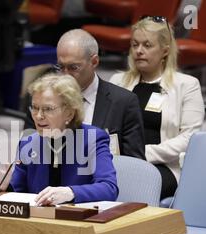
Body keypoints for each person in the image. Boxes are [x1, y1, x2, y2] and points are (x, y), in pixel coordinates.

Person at [109, 16, 204, 199]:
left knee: (136, 188)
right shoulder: (118, 82)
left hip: (163, 166)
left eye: (147, 45)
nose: (139, 51)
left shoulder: (187, 85)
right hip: (118, 163)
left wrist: (143, 154)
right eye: (135, 45)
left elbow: (189, 137)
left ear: (165, 51)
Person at [0, 73, 118, 206]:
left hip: (79, 221)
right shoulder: (28, 143)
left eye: (48, 109)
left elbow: (109, 188)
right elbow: (21, 192)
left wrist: (70, 192)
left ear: (69, 112)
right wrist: (7, 187)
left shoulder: (93, 139)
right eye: (35, 108)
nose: (38, 116)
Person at [27, 29, 146, 160]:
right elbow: (29, 151)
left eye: (73, 67)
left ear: (94, 62)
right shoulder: (40, 99)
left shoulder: (124, 103)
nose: (65, 75)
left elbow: (135, 164)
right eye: (60, 67)